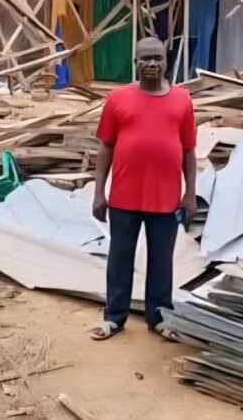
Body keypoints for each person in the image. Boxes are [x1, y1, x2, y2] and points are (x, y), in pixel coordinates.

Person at [89, 37, 197, 341]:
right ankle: (114, 317)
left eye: (157, 58)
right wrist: (99, 193)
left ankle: (159, 317)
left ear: (166, 62)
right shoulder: (117, 99)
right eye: (145, 59)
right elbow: (106, 147)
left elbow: (189, 150)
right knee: (119, 257)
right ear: (135, 63)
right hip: (124, 196)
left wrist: (190, 195)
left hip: (166, 199)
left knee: (161, 261)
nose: (152, 64)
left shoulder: (182, 100)